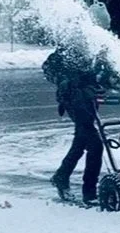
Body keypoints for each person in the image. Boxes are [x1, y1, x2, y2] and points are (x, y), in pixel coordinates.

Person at [44, 45, 107, 204]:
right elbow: (48, 68)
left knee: (81, 141)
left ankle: (61, 176)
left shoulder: (94, 47)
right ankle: (90, 193)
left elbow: (105, 72)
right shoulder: (67, 48)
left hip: (89, 99)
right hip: (74, 100)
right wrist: (63, 80)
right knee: (95, 145)